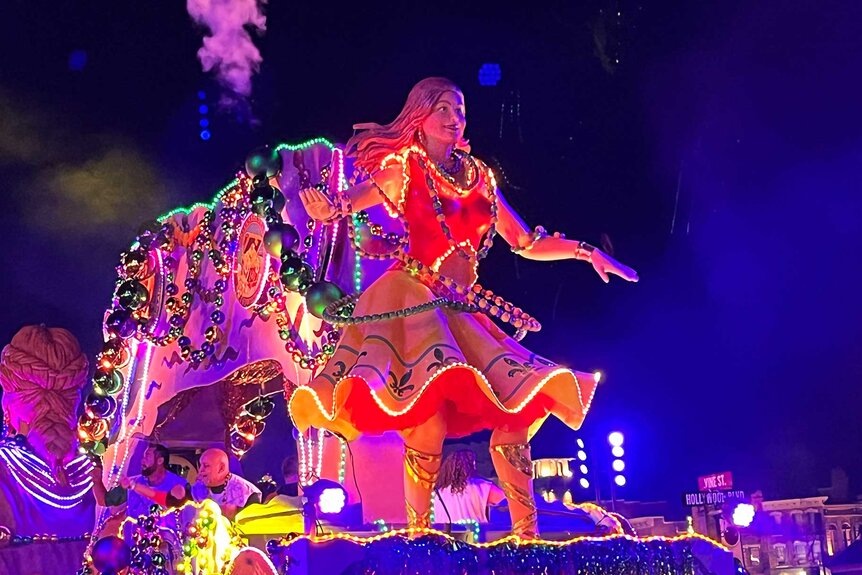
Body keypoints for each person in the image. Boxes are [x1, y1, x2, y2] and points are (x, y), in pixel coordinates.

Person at [289, 77, 638, 537]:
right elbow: (344, 205)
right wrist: (323, 208)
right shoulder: (404, 168)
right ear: (421, 117)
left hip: (461, 309)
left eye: (461, 110)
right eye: (445, 110)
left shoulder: (481, 178)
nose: (456, 119)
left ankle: (527, 540)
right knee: (427, 416)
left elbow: (526, 241)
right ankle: (420, 539)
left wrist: (586, 252)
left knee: (516, 408)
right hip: (414, 300)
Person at [90, 443, 189, 519]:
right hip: (134, 541)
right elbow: (103, 500)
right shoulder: (132, 482)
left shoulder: (180, 484)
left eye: (147, 456)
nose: (142, 461)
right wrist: (96, 480)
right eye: (143, 457)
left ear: (160, 461)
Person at [433, 449, 505, 524]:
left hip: (444, 534)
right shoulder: (482, 486)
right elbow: (506, 502)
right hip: (475, 534)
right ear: (472, 464)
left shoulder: (438, 493)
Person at [191, 448, 262, 520]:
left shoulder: (248, 493)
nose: (200, 470)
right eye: (201, 465)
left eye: (206, 466)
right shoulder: (197, 488)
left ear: (221, 468)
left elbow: (251, 527)